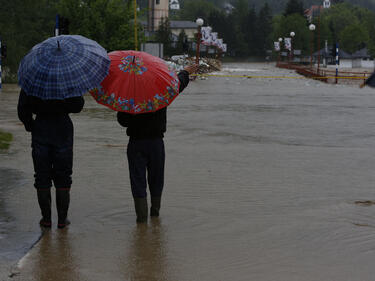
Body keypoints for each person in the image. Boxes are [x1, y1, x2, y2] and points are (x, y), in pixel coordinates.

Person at [117, 64, 198, 223]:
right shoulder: (162, 91)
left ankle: (141, 219)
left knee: (137, 180)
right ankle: (155, 214)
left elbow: (123, 121)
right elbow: (178, 84)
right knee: (156, 179)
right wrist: (186, 72)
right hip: (156, 143)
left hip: (136, 144)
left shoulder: (129, 95)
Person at [17, 90, 84, 228]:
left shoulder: (33, 79)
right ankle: (62, 220)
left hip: (41, 128)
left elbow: (22, 108)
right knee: (64, 175)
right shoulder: (68, 79)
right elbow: (78, 106)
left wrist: (30, 125)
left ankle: (46, 219)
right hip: (63, 130)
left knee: (42, 176)